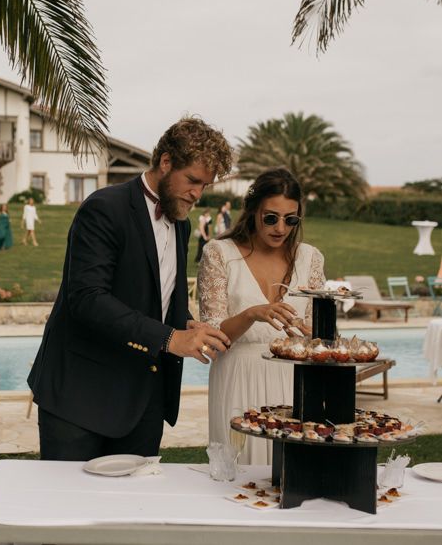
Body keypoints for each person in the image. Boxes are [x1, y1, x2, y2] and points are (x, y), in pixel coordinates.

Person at [28, 116, 234, 461]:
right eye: (193, 180)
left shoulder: (181, 225)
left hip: (144, 400)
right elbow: (88, 299)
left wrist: (185, 322)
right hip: (80, 397)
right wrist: (170, 339)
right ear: (166, 162)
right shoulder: (104, 208)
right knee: (69, 508)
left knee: (134, 507)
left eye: (205, 186)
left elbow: (159, 292)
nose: (198, 194)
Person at [197, 167, 326, 465]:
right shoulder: (219, 253)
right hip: (238, 376)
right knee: (239, 474)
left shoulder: (311, 258)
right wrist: (252, 314)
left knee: (292, 475)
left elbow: (316, 336)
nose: (280, 228)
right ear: (252, 211)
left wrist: (309, 332)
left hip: (293, 380)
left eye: (290, 219)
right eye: (271, 217)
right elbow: (213, 337)